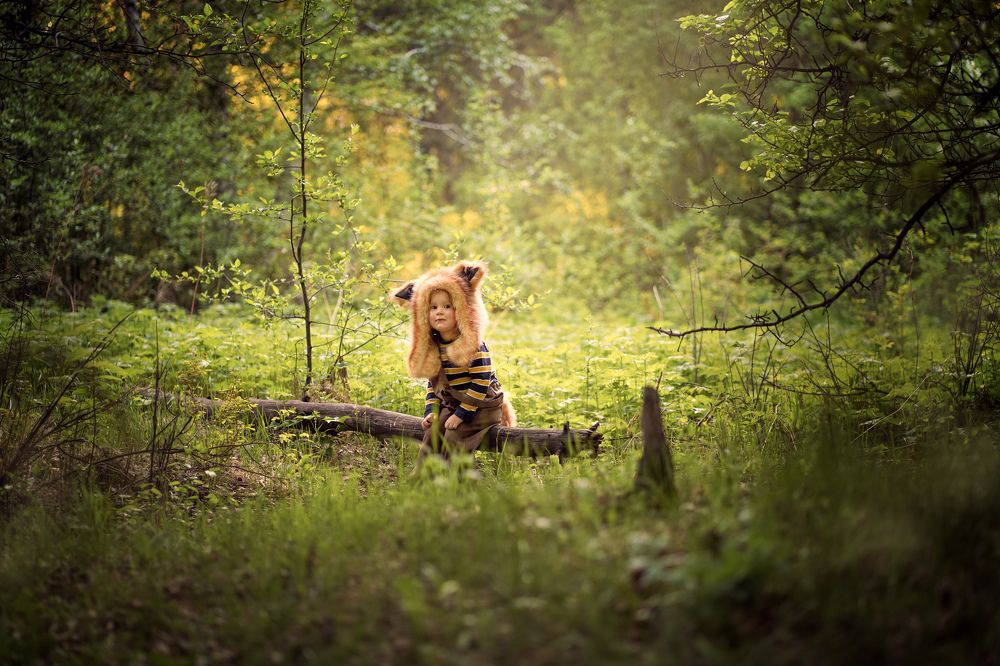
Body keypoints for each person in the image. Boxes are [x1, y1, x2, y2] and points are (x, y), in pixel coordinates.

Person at [390, 260, 516, 464]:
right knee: (433, 433)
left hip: (483, 404)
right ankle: (423, 476)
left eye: (447, 306)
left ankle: (455, 477)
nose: (439, 311)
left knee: (454, 436)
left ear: (461, 309)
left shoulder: (473, 345)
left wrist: (461, 414)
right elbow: (435, 385)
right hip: (455, 402)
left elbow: (482, 381)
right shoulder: (436, 347)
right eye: (433, 307)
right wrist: (432, 412)